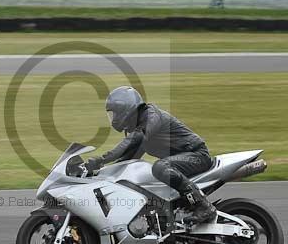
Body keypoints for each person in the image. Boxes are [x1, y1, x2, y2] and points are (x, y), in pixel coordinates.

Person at [85, 86, 216, 225]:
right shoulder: (140, 126)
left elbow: (131, 141)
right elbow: (126, 160)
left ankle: (204, 206)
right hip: (183, 160)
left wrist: (101, 160)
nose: (114, 118)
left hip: (197, 155)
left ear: (126, 108)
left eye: (115, 113)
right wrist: (99, 175)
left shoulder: (151, 117)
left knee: (160, 167)